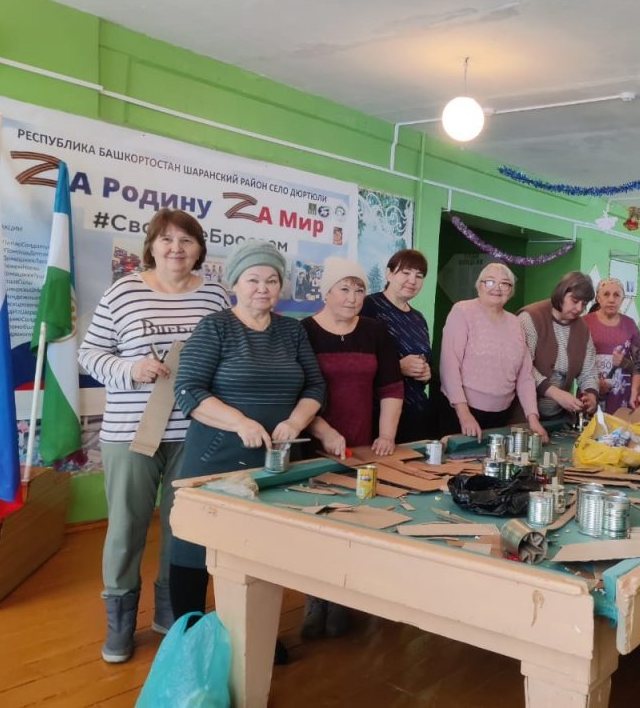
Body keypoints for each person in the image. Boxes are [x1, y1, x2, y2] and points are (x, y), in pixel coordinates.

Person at [78, 209, 230, 664]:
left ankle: (171, 613)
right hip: (130, 433)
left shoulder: (215, 295)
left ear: (200, 249)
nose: (176, 248)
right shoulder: (123, 291)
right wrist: (131, 368)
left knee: (182, 528)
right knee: (126, 528)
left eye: (186, 240)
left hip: (196, 433)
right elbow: (90, 352)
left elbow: (227, 354)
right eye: (166, 239)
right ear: (151, 246)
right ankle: (120, 624)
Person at [170, 241, 325, 664]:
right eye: (253, 279)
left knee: (261, 548)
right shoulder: (215, 327)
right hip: (215, 457)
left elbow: (315, 386)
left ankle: (253, 632)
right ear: (235, 283)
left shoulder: (292, 331)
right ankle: (188, 640)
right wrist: (238, 422)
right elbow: (188, 391)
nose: (263, 288)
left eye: (272, 280)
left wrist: (295, 422)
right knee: (194, 548)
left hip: (274, 462)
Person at [301, 257, 405, 638]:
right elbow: (297, 392)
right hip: (313, 443)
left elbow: (391, 387)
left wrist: (386, 435)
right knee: (316, 522)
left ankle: (342, 597)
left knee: (354, 519)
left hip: (363, 446)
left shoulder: (375, 331)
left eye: (359, 289)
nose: (352, 297)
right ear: (325, 292)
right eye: (344, 288)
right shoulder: (304, 331)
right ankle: (315, 599)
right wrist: (324, 431)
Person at [439, 263, 548, 441]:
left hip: (501, 415)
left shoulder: (515, 323)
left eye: (504, 283)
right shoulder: (462, 311)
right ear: (479, 286)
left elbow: (525, 377)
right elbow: (449, 366)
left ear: (511, 291)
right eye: (490, 282)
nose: (497, 288)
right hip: (461, 412)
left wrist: (533, 419)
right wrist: (464, 414)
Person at [360, 249, 435, 443]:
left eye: (419, 276)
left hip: (416, 415)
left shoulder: (418, 318)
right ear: (389, 273)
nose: (412, 281)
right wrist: (398, 367)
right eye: (406, 272)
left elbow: (427, 360)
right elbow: (358, 364)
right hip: (380, 417)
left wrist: (426, 372)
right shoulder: (369, 307)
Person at [519, 271, 600, 422]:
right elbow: (523, 367)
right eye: (574, 301)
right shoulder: (530, 318)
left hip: (557, 417)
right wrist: (555, 393)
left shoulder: (582, 329)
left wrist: (591, 394)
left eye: (584, 304)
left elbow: (588, 371)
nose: (579, 308)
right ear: (561, 293)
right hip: (521, 416)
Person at [583, 278, 640, 413]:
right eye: (606, 294)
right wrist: (594, 384)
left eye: (616, 295)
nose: (611, 299)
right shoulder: (584, 323)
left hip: (621, 396)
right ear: (598, 298)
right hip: (590, 392)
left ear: (623, 299)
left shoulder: (630, 324)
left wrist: (625, 363)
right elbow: (574, 362)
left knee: (618, 426)